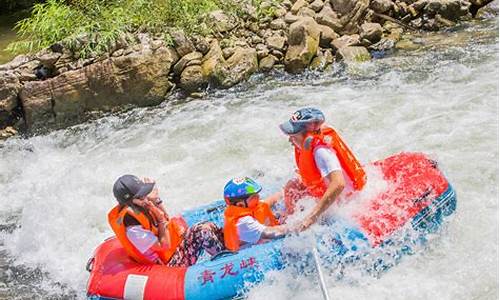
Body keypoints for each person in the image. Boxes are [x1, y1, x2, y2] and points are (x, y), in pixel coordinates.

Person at [279, 107, 366, 231]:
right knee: (293, 185)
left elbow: (339, 184)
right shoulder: (307, 146)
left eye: (293, 135)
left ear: (306, 134)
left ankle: (288, 226)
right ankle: (287, 216)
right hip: (325, 193)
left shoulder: (321, 151)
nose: (290, 140)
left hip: (346, 202)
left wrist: (311, 218)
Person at [108, 174, 225, 267]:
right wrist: (160, 220)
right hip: (166, 267)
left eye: (144, 194)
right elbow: (164, 245)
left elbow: (167, 219)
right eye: (140, 197)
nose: (145, 198)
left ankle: (226, 250)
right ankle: (224, 262)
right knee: (202, 231)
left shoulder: (141, 206)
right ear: (129, 202)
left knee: (208, 226)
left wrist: (156, 200)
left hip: (172, 253)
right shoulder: (133, 229)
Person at [222, 177, 297, 251]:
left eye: (257, 194)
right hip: (251, 252)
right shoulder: (243, 223)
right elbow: (274, 233)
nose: (258, 197)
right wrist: (303, 223)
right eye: (254, 197)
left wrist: (289, 190)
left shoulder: (250, 206)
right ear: (240, 205)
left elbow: (272, 199)